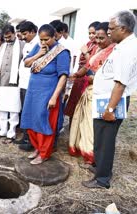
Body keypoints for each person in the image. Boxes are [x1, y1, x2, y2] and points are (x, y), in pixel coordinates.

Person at [82, 11, 137, 189]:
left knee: (106, 140)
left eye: (111, 29)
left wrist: (110, 110)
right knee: (99, 136)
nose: (108, 32)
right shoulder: (121, 46)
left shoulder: (128, 49)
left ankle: (102, 179)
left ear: (123, 29)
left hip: (112, 102)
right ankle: (99, 167)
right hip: (105, 99)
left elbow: (120, 84)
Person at [21, 24, 70, 164]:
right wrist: (39, 54)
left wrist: (54, 97)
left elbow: (63, 76)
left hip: (48, 92)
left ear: (54, 36)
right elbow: (26, 63)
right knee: (32, 119)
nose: (43, 42)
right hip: (33, 91)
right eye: (41, 39)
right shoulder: (38, 47)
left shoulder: (62, 52)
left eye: (46, 39)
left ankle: (44, 153)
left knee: (44, 122)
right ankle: (37, 147)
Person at [69, 22, 115, 165]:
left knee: (93, 126)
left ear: (110, 36)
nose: (97, 41)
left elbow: (111, 77)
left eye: (101, 38)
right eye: (96, 38)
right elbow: (87, 66)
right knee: (83, 122)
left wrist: (93, 79)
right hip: (89, 91)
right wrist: (76, 74)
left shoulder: (114, 52)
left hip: (102, 94)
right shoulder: (97, 49)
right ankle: (85, 151)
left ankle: (93, 156)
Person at [64, 21, 100, 128]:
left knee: (83, 106)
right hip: (80, 77)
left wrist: (86, 53)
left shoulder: (100, 46)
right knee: (74, 104)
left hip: (89, 79)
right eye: (89, 33)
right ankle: (72, 131)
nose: (91, 36)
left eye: (93, 33)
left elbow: (93, 64)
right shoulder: (88, 44)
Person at [0, 24, 24, 144]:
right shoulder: (2, 46)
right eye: (5, 37)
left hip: (15, 82)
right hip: (2, 81)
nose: (7, 39)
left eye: (9, 36)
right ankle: (3, 130)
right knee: (2, 108)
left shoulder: (22, 45)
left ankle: (12, 132)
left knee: (14, 109)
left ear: (14, 33)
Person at [16, 21, 38, 148]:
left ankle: (30, 141)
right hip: (23, 83)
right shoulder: (27, 44)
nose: (23, 37)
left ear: (33, 32)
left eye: (25, 34)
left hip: (31, 84)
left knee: (30, 112)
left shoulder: (38, 44)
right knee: (24, 112)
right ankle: (25, 137)